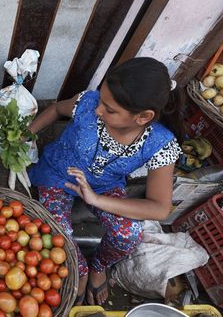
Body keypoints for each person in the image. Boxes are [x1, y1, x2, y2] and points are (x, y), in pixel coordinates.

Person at [27, 57, 183, 306]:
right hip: (57, 174)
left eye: (110, 109)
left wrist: (96, 199)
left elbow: (159, 207)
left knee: (128, 234)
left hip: (103, 187)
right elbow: (56, 109)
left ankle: (98, 266)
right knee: (58, 237)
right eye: (101, 100)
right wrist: (26, 135)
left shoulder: (160, 145)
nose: (99, 110)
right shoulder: (88, 105)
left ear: (143, 117)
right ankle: (81, 269)